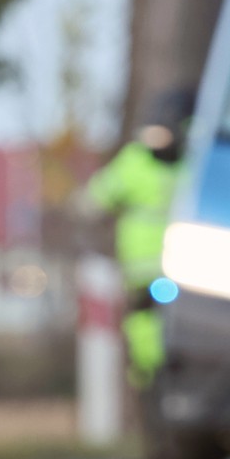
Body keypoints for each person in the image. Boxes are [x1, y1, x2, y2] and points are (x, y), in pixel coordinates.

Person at [85, 91, 193, 391]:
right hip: (145, 268)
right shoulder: (135, 160)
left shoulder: (198, 160)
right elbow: (98, 196)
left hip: (190, 266)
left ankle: (167, 374)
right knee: (145, 323)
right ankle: (151, 377)